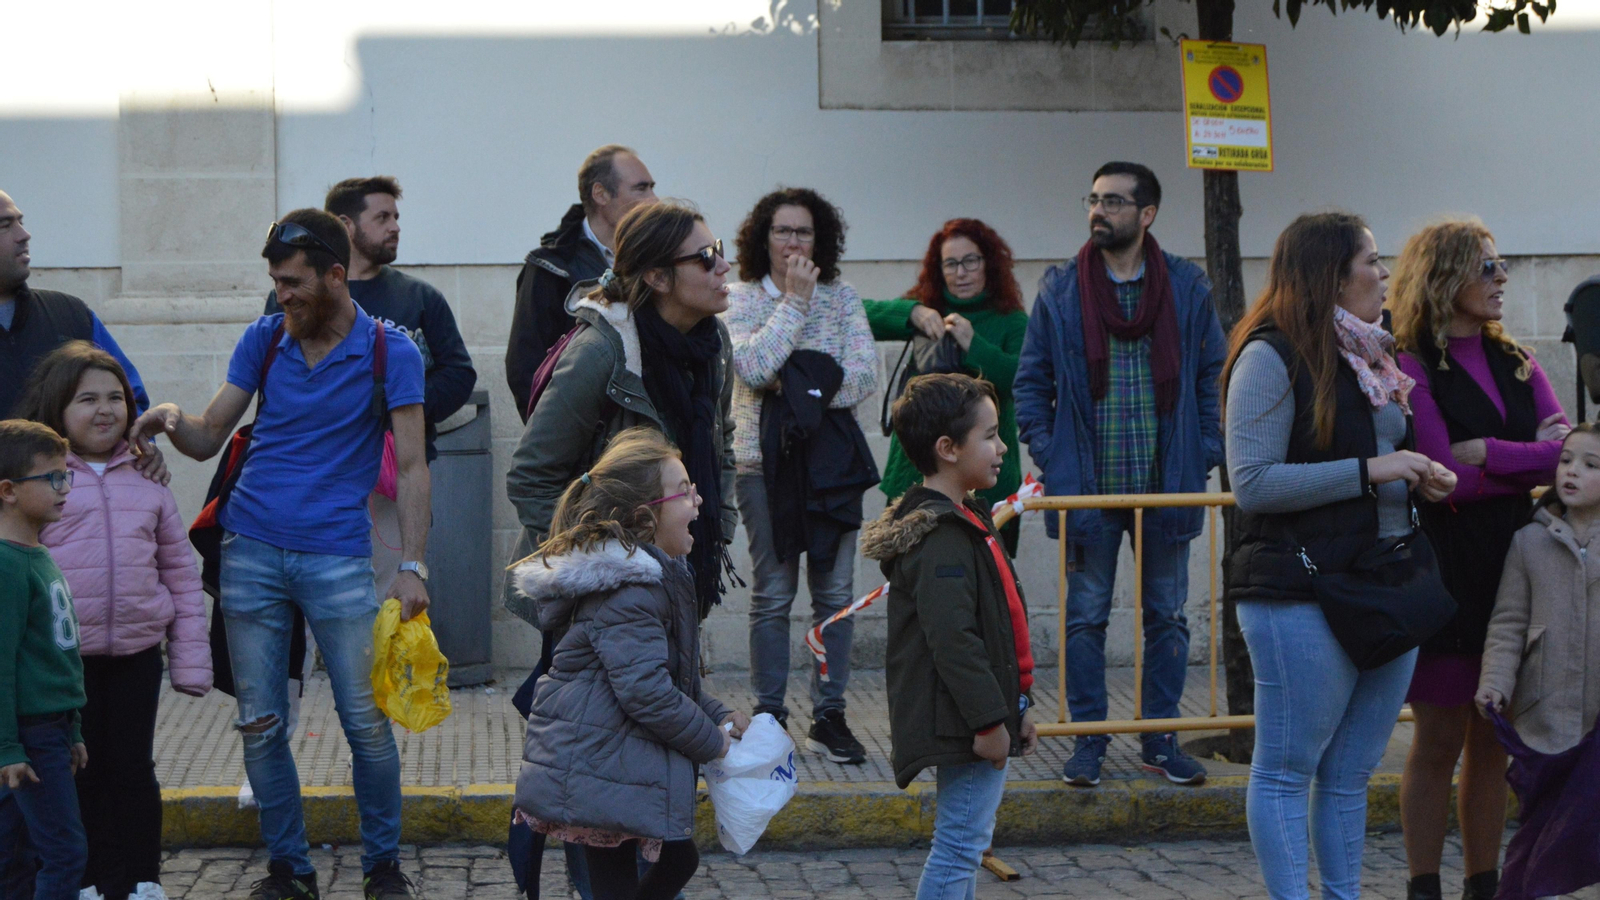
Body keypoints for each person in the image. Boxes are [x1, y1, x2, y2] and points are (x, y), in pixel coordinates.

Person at [127, 209, 429, 900]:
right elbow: (207, 437)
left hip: (338, 560)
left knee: (365, 724)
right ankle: (289, 869)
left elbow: (412, 469)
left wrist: (413, 564)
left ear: (334, 273)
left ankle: (383, 865)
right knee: (260, 724)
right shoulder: (265, 340)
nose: (282, 294)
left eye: (293, 282)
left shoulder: (392, 353)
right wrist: (168, 416)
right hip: (250, 552)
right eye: (275, 281)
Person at [503, 200, 735, 896]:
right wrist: (601, 563)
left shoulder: (708, 344)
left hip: (669, 576)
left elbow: (708, 447)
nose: (722, 266)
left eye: (718, 249)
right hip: (602, 588)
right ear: (659, 277)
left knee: (625, 775)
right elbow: (531, 475)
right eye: (705, 256)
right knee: (596, 783)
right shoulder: (603, 349)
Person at [1223, 212, 1456, 899]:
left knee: (1352, 772)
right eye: (1371, 260)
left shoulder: (1370, 353)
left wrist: (1417, 473)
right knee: (1287, 769)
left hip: (1385, 580)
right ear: (1329, 271)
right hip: (1298, 588)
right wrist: (1373, 471)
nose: (1384, 275)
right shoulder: (1269, 355)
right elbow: (1253, 483)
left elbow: (1380, 455)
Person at [1013, 161, 1224, 787]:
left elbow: (1214, 372)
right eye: (1093, 199)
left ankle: (1161, 739)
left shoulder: (1186, 287)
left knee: (1167, 614)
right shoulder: (1060, 290)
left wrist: (1206, 446)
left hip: (1169, 480)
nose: (1097, 211)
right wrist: (1053, 456)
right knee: (1085, 618)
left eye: (1112, 201)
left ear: (1146, 214)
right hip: (1086, 486)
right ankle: (1088, 741)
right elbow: (1032, 382)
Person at [1388, 219, 1567, 900]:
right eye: (1486, 268)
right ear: (1443, 277)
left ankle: (1483, 887)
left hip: (1519, 569)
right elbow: (1443, 478)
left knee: (1494, 739)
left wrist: (1491, 453)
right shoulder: (1411, 364)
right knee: (1437, 738)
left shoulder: (1518, 360)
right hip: (1449, 568)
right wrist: (1528, 462)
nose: (1501, 279)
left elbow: (1573, 456)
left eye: (1500, 267)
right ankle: (1424, 886)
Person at [510, 427, 749, 900]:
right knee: (649, 870)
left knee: (677, 859)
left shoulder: (657, 579)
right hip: (599, 766)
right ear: (646, 518)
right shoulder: (632, 591)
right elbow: (647, 693)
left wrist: (719, 714)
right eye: (684, 491)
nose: (698, 501)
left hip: (614, 761)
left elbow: (672, 681)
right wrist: (713, 744)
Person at [16, 344, 211, 900]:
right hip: (60, 666)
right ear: (57, 410)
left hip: (135, 656)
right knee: (75, 775)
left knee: (131, 770)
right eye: (87, 399)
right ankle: (87, 882)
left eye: (115, 398)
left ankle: (142, 879)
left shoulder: (148, 480)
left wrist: (191, 659)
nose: (105, 410)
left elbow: (178, 571)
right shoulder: (40, 482)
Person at [861, 373, 1038, 900]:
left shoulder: (968, 515)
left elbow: (1001, 622)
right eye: (989, 435)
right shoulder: (940, 536)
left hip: (983, 714)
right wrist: (989, 720)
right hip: (964, 723)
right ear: (947, 449)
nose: (1002, 446)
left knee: (968, 839)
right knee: (961, 844)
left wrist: (1019, 705)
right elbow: (954, 640)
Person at [721, 187, 877, 764]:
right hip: (763, 468)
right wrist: (793, 306)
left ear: (821, 240)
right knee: (773, 593)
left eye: (804, 232)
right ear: (763, 238)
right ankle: (770, 715)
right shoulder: (737, 299)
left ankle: (830, 714)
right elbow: (754, 366)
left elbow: (864, 374)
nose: (793, 242)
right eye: (783, 231)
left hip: (832, 469)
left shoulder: (843, 297)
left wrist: (801, 387)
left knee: (835, 593)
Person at [265, 176, 477, 590]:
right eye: (382, 217)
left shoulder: (420, 298)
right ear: (346, 226)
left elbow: (459, 373)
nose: (395, 226)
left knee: (385, 608)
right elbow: (278, 373)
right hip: (317, 476)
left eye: (396, 216)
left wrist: (397, 407)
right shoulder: (299, 296)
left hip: (391, 483)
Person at [1475, 424, 1600, 899]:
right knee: (1539, 840)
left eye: (1591, 465)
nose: (1572, 471)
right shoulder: (1529, 542)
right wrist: (1495, 683)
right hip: (1544, 717)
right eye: (1567, 460)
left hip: (1598, 724)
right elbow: (1508, 624)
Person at [875, 218, 1030, 556]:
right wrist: (912, 312)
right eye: (951, 263)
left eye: (970, 261)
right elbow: (860, 314)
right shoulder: (929, 308)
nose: (961, 272)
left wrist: (974, 344)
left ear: (988, 262)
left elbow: (1021, 378)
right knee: (911, 579)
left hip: (988, 482)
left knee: (987, 587)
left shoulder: (1011, 321)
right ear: (938, 268)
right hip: (915, 476)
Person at [0, 191, 166, 486]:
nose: (24, 235)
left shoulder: (71, 315)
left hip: (77, 515)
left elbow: (131, 400)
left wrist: (139, 450)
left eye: (20, 222)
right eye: (5, 225)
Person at [0, 420, 88, 900]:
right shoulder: (6, 564)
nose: (65, 488)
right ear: (9, 490)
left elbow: (56, 659)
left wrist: (72, 728)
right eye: (52, 478)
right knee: (64, 853)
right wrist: (7, 748)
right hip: (27, 738)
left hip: (49, 730)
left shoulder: (38, 552)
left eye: (67, 475)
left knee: (17, 854)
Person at [507, 146, 659, 418]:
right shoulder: (550, 268)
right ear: (600, 193)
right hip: (584, 435)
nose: (654, 200)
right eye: (641, 189)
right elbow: (526, 369)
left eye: (652, 188)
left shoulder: (660, 261)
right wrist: (557, 442)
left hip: (652, 435)